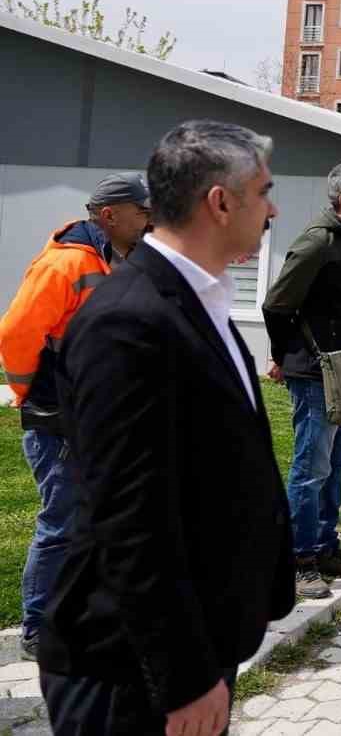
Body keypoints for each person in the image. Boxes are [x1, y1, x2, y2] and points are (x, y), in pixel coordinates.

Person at [38, 121, 293, 736]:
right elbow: (129, 519)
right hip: (129, 672)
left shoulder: (199, 301)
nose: (273, 208)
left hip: (194, 644)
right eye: (264, 191)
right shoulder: (127, 321)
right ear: (221, 202)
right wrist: (184, 678)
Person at [0, 173, 151, 660]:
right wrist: (30, 393)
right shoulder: (66, 264)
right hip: (61, 423)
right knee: (62, 524)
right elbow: (17, 333)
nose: (151, 219)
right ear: (110, 215)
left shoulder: (117, 261)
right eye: (143, 211)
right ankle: (38, 628)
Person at [261, 161, 341, 599]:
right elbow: (277, 306)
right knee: (310, 470)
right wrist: (283, 355)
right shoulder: (317, 242)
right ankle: (300, 562)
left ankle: (327, 548)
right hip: (317, 374)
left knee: (336, 465)